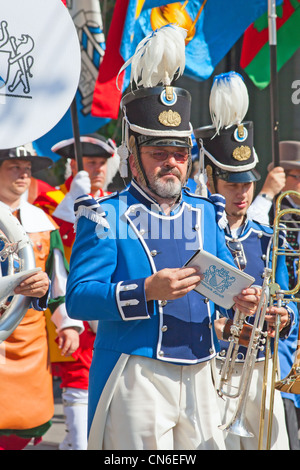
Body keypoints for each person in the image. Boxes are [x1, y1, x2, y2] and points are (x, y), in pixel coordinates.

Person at [65, 25, 261, 451]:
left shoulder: (206, 212)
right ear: (131, 153)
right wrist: (145, 290)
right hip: (137, 371)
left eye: (179, 153)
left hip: (202, 368)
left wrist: (239, 301)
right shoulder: (103, 215)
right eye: (158, 153)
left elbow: (214, 285)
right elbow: (78, 297)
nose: (172, 163)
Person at [194, 72, 298, 450]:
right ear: (210, 180)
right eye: (231, 184)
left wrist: (285, 318)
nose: (241, 193)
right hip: (211, 371)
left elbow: (289, 299)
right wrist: (218, 327)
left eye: (247, 184)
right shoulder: (195, 236)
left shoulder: (269, 237)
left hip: (262, 370)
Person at [0, 146, 83, 450]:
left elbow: (58, 283)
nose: (23, 174)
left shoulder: (43, 223)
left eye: (26, 168)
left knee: (24, 425)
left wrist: (68, 325)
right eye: (14, 167)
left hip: (30, 341)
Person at [249, 140, 300, 449]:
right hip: (281, 324)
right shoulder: (268, 214)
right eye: (296, 177)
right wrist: (267, 193)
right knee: (285, 416)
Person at [34, 133, 119, 262]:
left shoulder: (115, 202)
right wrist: (72, 200)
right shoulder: (49, 200)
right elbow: (49, 244)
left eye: (102, 163)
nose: (99, 169)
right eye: (92, 163)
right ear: (73, 165)